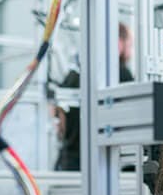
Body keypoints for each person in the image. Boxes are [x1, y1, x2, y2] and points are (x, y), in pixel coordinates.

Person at [54, 22, 134, 171]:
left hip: (70, 162)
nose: (131, 50)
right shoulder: (120, 73)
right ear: (118, 42)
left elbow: (59, 121)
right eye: (129, 44)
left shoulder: (73, 75)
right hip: (104, 163)